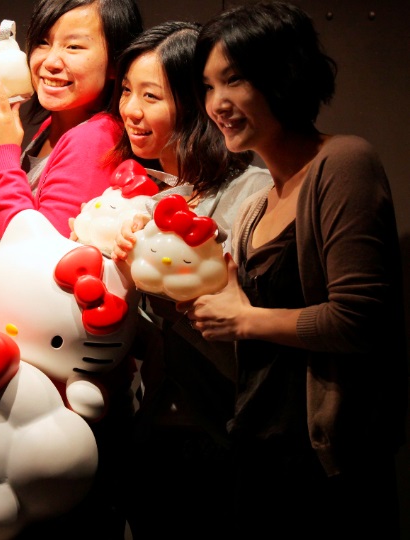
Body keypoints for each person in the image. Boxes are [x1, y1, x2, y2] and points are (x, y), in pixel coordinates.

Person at [181, 2, 407, 538]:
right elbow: (252, 349)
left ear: (283, 75)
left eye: (234, 80)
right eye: (209, 87)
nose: (218, 104)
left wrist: (245, 320)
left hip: (324, 462)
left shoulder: (343, 162)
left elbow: (359, 320)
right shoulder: (259, 203)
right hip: (257, 448)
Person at [106, 21, 272, 539]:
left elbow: (261, 342)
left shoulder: (254, 192)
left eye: (151, 95)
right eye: (127, 92)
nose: (130, 110)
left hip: (232, 439)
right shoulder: (150, 206)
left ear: (197, 102)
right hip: (153, 435)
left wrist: (175, 292)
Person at [0, 0, 144, 240]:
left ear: (116, 61)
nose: (50, 62)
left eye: (73, 47)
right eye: (43, 42)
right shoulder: (55, 124)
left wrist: (0, 154)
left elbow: (37, 253)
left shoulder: (94, 139)